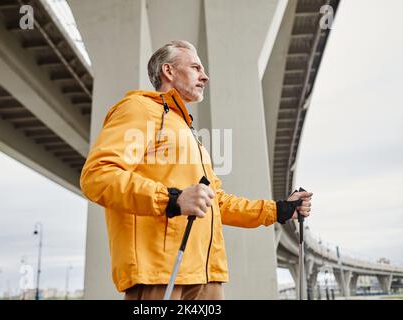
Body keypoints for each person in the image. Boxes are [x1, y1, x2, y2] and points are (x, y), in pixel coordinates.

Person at [80, 40, 313, 300]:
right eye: (195, 67)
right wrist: (172, 199)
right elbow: (98, 175)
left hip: (205, 277)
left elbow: (216, 201)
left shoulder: (187, 131)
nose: (205, 76)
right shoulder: (139, 109)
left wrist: (279, 209)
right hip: (160, 272)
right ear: (168, 71)